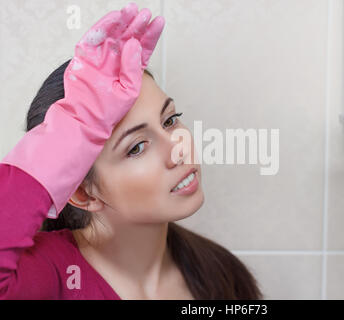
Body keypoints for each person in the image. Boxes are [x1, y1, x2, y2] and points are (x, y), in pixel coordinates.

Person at [0, 2, 263, 300]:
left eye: (170, 121)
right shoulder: (55, 279)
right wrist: (71, 133)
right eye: (136, 147)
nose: (177, 149)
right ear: (83, 194)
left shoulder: (223, 276)